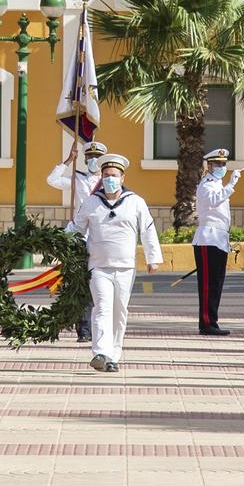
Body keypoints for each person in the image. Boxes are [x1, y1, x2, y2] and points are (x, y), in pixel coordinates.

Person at [74, 154, 161, 371]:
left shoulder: (135, 202)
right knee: (102, 308)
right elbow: (76, 229)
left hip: (125, 267)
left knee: (119, 311)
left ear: (122, 178)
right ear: (101, 178)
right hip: (98, 266)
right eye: (106, 175)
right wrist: (58, 243)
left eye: (113, 175)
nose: (109, 179)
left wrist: (153, 258)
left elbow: (148, 230)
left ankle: (113, 355)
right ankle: (101, 353)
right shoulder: (91, 202)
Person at [49, 140, 105, 343]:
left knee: (97, 285)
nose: (93, 161)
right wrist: (67, 160)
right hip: (79, 236)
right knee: (80, 283)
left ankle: (96, 327)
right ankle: (83, 329)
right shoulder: (78, 178)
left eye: (96, 157)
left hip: (100, 237)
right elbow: (52, 180)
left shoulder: (108, 182)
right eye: (89, 157)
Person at [190, 147, 241, 336]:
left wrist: (227, 185)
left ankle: (212, 321)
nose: (221, 167)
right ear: (209, 166)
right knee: (207, 284)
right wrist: (231, 184)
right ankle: (206, 323)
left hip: (219, 239)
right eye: (218, 164)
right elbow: (213, 201)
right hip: (207, 238)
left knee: (217, 283)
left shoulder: (218, 184)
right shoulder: (207, 184)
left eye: (223, 164)